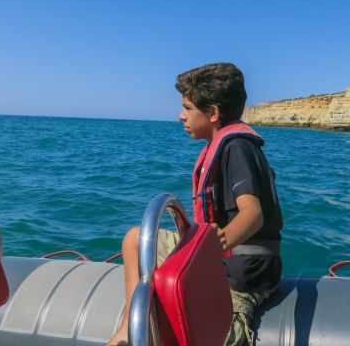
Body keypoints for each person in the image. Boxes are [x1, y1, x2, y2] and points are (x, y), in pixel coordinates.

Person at [107, 62, 283, 346]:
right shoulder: (222, 146)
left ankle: (234, 321)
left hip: (241, 276)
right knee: (136, 240)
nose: (180, 116)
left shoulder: (239, 148)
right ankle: (127, 328)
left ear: (213, 113)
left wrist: (209, 251)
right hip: (217, 260)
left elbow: (253, 214)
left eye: (188, 108)